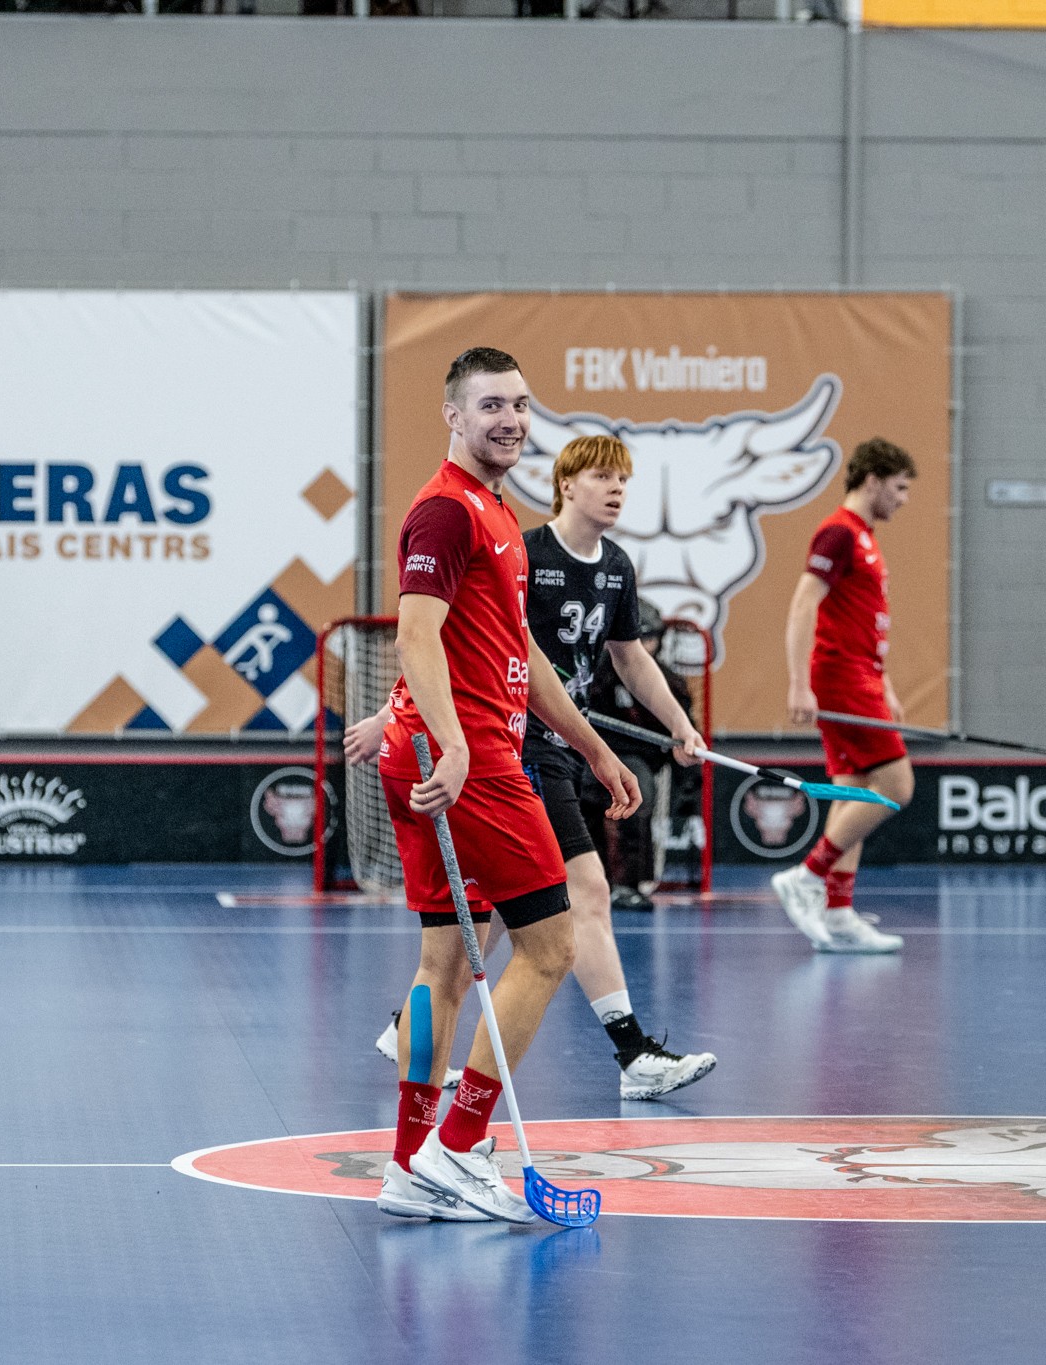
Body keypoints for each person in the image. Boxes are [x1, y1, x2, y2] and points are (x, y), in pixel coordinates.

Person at [363, 346, 639, 1224]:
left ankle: (410, 1166)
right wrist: (452, 745)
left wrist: (593, 747)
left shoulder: (495, 512)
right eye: (491, 405)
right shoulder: (449, 510)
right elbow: (415, 634)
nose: (511, 419)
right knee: (551, 946)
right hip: (473, 761)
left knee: (444, 963)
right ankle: (458, 1144)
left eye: (520, 403)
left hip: (441, 751)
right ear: (453, 415)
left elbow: (518, 651)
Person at [357, 437, 715, 1102]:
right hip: (513, 745)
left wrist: (678, 727)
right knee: (583, 894)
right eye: (602, 476)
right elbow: (445, 635)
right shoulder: (525, 548)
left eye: (623, 479)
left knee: (501, 919)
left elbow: (631, 658)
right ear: (566, 483)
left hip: (558, 742)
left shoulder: (616, 567)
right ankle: (631, 1052)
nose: (616, 489)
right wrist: (391, 714)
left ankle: (411, 1026)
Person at [770, 438, 918, 954]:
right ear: (873, 480)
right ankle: (807, 876)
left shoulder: (865, 537)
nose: (903, 499)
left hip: (863, 677)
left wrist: (886, 684)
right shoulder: (839, 532)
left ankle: (837, 914)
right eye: (899, 487)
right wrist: (799, 682)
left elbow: (863, 620)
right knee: (897, 785)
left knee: (854, 791)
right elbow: (802, 604)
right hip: (842, 678)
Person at [588, 599, 702, 909]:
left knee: (634, 798)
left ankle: (628, 884)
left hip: (641, 759)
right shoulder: (598, 675)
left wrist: (688, 784)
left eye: (650, 639)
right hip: (594, 752)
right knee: (583, 799)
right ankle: (593, 879)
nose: (645, 646)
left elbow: (684, 738)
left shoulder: (670, 683)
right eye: (640, 639)